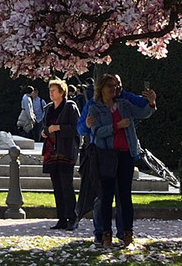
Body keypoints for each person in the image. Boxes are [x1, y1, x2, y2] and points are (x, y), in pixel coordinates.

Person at [80, 71, 152, 250]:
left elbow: (142, 112)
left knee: (125, 196)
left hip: (126, 154)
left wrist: (151, 102)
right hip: (106, 155)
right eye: (110, 86)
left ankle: (127, 233)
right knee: (105, 197)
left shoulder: (124, 104)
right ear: (101, 88)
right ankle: (105, 234)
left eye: (116, 86)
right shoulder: (95, 108)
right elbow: (96, 131)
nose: (114, 89)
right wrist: (116, 126)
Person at [40, 77, 80, 230]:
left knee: (66, 185)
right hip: (51, 152)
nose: (51, 93)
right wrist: (45, 132)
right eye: (50, 90)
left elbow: (76, 129)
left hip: (65, 151)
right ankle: (61, 218)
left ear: (62, 92)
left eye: (54, 90)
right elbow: (43, 127)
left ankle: (72, 217)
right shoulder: (48, 108)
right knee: (57, 186)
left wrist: (58, 128)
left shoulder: (70, 107)